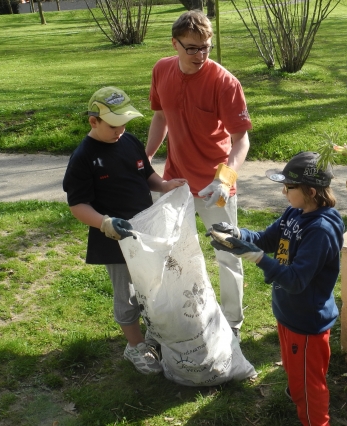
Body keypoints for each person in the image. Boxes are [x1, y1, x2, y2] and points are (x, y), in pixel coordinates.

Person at [208, 152, 344, 426]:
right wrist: (238, 235)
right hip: (288, 314)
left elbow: (295, 280)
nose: (283, 191)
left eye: (288, 187)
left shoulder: (320, 230)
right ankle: (298, 391)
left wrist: (255, 257)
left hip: (306, 323)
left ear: (311, 191)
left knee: (310, 387)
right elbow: (267, 239)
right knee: (298, 377)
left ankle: (316, 420)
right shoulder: (295, 212)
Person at [62, 86, 187, 374]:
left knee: (152, 286)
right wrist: (105, 223)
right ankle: (135, 347)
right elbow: (78, 205)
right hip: (114, 240)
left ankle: (155, 335)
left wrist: (165, 185)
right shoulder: (84, 158)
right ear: (93, 121)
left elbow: (146, 175)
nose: (121, 130)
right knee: (127, 294)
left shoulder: (129, 141)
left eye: (124, 123)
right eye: (114, 125)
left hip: (146, 230)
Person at [145, 10, 252, 339]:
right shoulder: (162, 70)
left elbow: (241, 141)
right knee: (174, 254)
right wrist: (145, 157)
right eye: (192, 48)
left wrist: (227, 179)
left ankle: (232, 323)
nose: (200, 55)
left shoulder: (224, 82)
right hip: (175, 181)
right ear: (174, 44)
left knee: (227, 254)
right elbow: (161, 118)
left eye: (206, 46)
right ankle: (183, 316)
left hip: (215, 186)